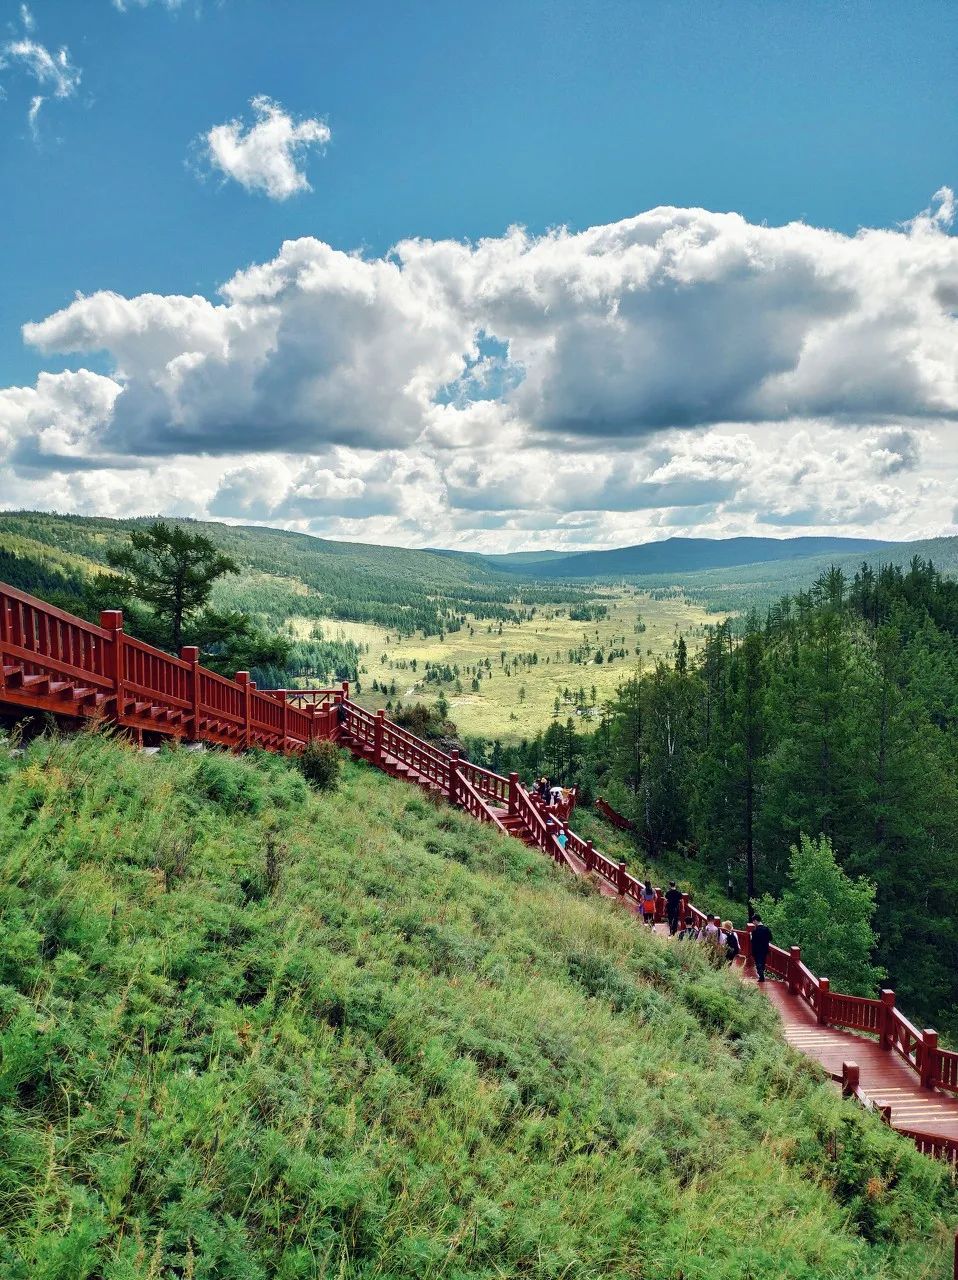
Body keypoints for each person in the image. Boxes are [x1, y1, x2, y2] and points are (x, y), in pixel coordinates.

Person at [751, 913, 772, 983]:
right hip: (765, 949)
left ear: (756, 920)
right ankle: (762, 974)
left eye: (753, 921)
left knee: (758, 963)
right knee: (763, 962)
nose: (753, 923)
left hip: (757, 950)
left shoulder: (754, 931)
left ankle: (761, 976)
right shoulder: (766, 929)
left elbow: (752, 942)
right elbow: (770, 938)